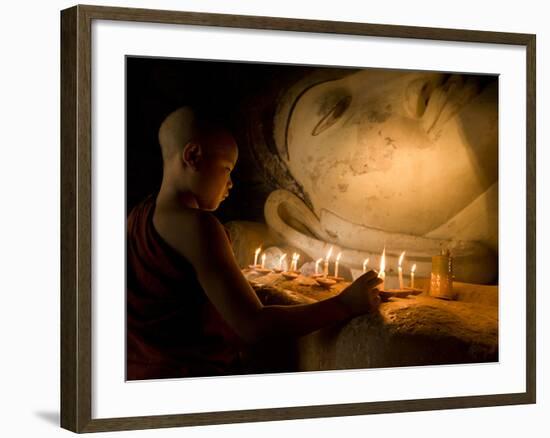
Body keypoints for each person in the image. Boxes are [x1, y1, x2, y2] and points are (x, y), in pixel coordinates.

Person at [126, 106, 382, 380]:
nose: (231, 183)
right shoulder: (198, 226)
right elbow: (254, 326)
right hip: (188, 378)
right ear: (193, 156)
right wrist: (343, 304)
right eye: (227, 168)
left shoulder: (138, 215)